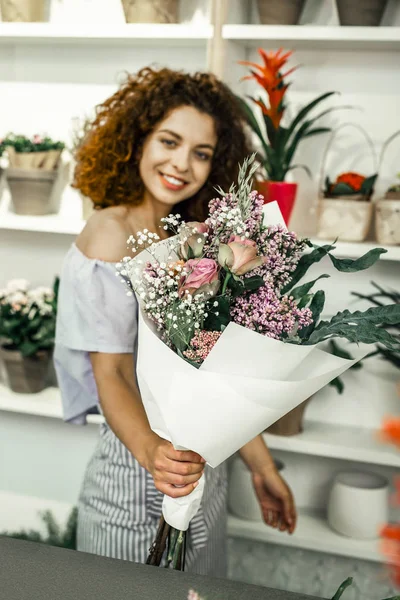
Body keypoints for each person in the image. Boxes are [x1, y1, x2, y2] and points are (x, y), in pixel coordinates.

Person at [54, 66, 297, 577]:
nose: (182, 164)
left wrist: (262, 466)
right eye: (169, 140)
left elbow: (216, 373)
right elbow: (113, 374)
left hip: (207, 477)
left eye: (202, 152)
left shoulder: (195, 239)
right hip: (137, 475)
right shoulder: (108, 232)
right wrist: (155, 454)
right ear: (138, 139)